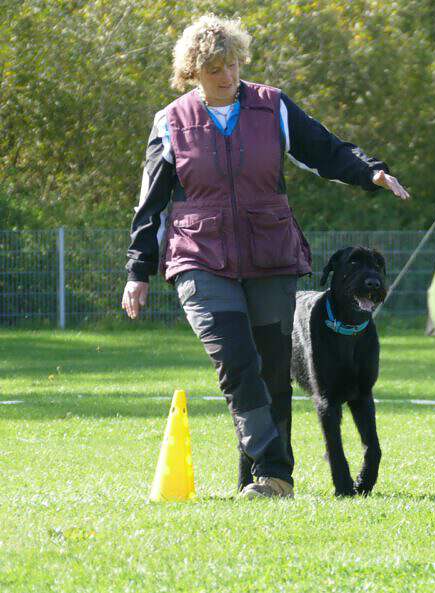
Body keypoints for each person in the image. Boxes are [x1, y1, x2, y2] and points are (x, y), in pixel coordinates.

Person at [122, 14, 409, 498]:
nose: (227, 76)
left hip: (271, 255)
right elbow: (150, 204)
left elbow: (325, 149)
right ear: (193, 72)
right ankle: (274, 471)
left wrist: (370, 171)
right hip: (199, 256)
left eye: (233, 65)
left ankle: (262, 478)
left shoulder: (272, 106)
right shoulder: (170, 122)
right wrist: (138, 269)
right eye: (215, 69)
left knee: (273, 371)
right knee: (236, 360)